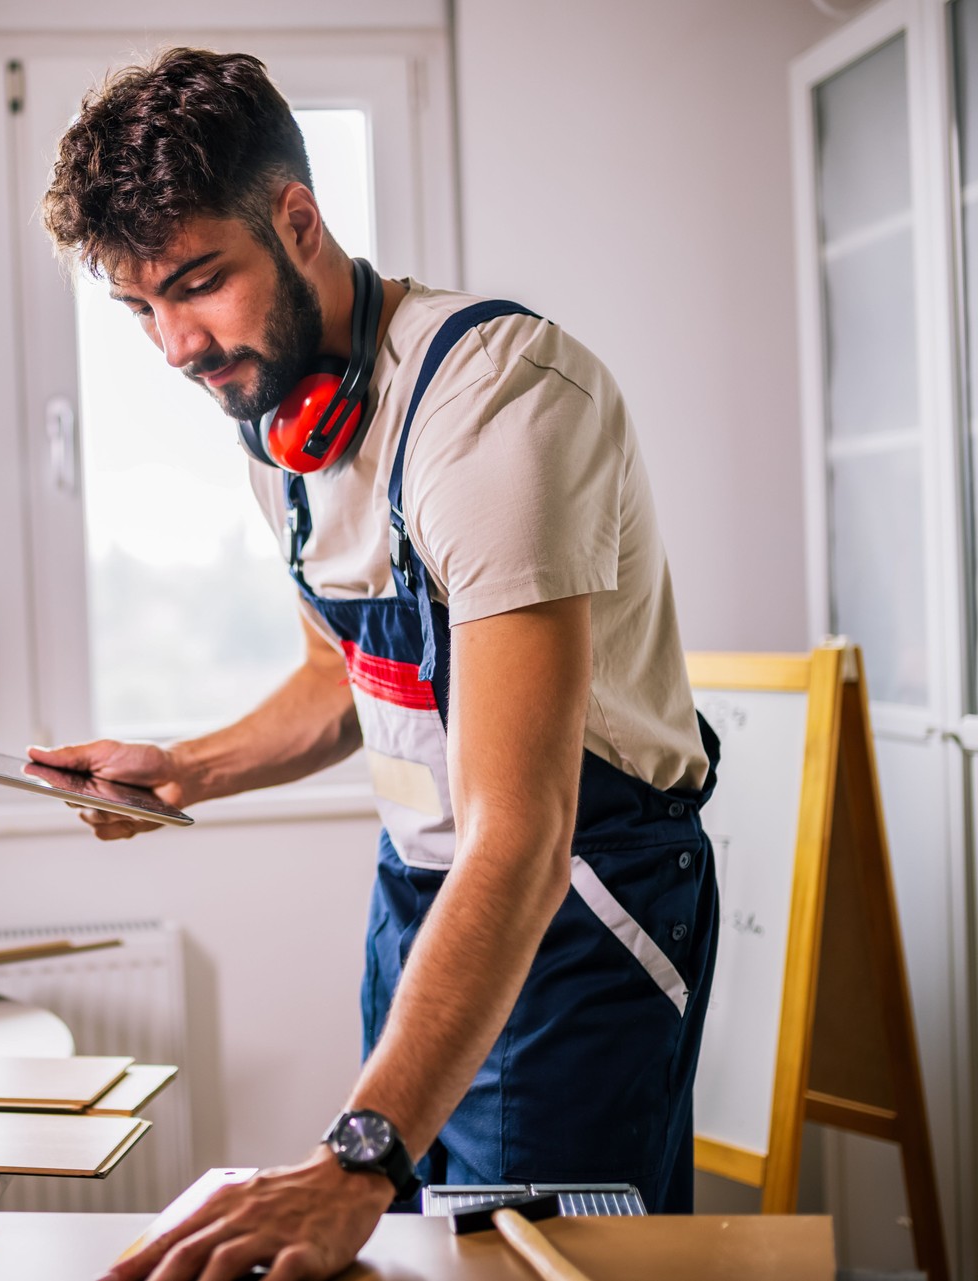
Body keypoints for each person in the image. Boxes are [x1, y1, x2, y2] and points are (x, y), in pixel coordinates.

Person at [35, 48, 720, 1281]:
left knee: (538, 1264)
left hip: (577, 903)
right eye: (142, 308)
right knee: (426, 1255)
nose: (180, 345)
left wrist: (356, 1155)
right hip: (423, 890)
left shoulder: (496, 409)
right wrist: (184, 768)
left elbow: (522, 828)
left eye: (199, 284)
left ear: (297, 218)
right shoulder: (278, 410)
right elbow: (348, 675)